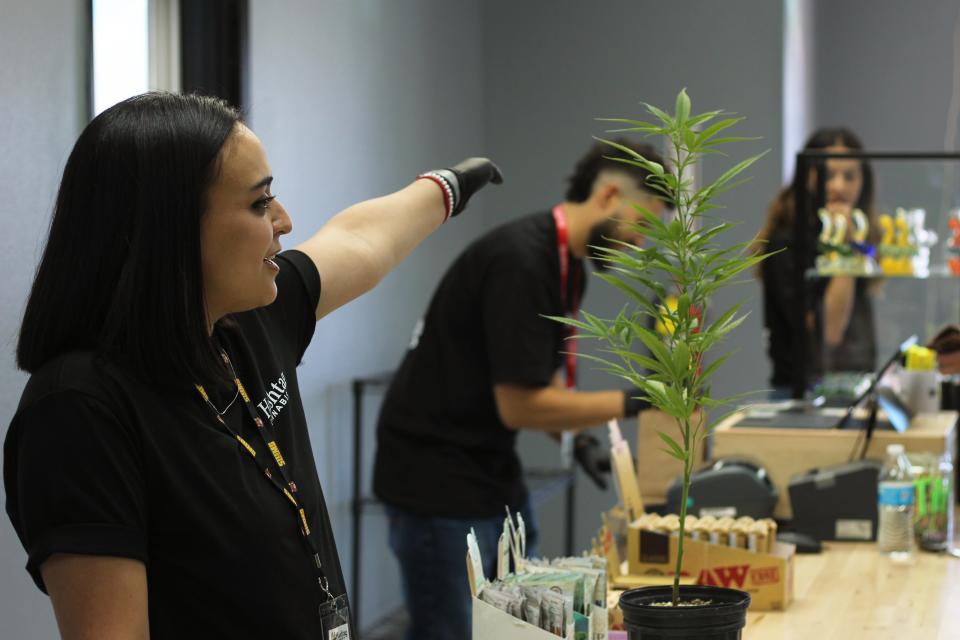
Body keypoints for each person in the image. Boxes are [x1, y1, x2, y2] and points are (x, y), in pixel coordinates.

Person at [3, 92, 502, 639]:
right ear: (169, 228)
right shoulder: (79, 410)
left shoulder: (243, 325)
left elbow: (360, 240)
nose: (284, 221)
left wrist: (447, 187)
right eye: (260, 203)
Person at [372, 139, 667, 640]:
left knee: (520, 627)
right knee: (453, 631)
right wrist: (639, 399)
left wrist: (583, 442)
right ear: (611, 195)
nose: (640, 244)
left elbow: (540, 382)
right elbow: (521, 406)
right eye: (643, 225)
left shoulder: (567, 268)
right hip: (436, 480)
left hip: (488, 472)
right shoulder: (524, 262)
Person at [755, 127, 879, 397]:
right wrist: (844, 248)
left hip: (852, 387)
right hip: (798, 394)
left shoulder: (862, 237)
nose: (839, 186)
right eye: (828, 174)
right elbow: (829, 333)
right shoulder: (785, 242)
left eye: (849, 176)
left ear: (863, 180)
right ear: (809, 177)